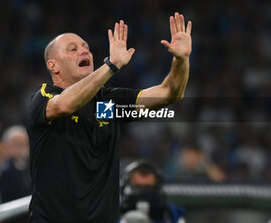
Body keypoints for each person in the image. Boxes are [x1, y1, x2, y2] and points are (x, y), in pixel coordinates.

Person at [27, 12, 192, 223]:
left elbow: (170, 93)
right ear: (53, 66)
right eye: (73, 49)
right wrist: (111, 66)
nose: (84, 50)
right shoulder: (43, 98)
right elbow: (66, 104)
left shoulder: (107, 103)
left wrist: (181, 59)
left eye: (85, 47)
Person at [119, 160, 186, 223]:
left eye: (147, 188)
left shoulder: (172, 212)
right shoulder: (113, 211)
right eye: (137, 187)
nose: (142, 192)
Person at [0, 125, 31, 203]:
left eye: (25, 143)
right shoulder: (3, 174)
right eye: (18, 144)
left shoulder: (36, 166)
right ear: (7, 147)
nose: (23, 148)